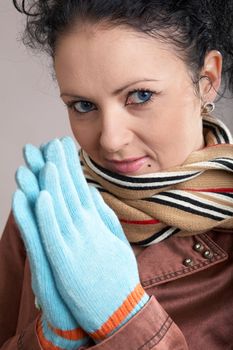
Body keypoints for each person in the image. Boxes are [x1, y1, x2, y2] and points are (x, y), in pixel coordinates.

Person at [0, 0, 233, 349]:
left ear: (207, 80)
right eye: (83, 105)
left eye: (141, 95)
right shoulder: (51, 208)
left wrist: (126, 321)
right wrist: (49, 341)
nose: (110, 139)